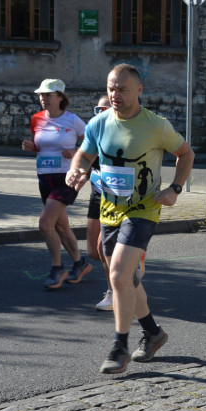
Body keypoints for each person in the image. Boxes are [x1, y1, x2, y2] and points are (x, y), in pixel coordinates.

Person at [66, 64, 195, 373]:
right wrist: (77, 169)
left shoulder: (156, 125)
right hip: (109, 208)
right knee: (124, 279)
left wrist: (175, 188)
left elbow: (186, 154)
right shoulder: (99, 123)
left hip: (143, 208)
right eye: (111, 88)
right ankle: (153, 332)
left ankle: (119, 347)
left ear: (139, 90)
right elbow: (84, 154)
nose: (115, 94)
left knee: (119, 275)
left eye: (122, 89)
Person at [22, 79, 89, 290]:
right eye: (41, 95)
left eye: (47, 95)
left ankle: (57, 268)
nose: (43, 98)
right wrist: (31, 146)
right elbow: (40, 146)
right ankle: (80, 264)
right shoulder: (36, 119)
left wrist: (75, 151)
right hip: (44, 177)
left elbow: (92, 144)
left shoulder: (73, 120)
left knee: (45, 224)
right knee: (60, 226)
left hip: (66, 178)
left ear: (60, 97)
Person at [88, 96, 115, 311]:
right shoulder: (94, 131)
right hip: (97, 194)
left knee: (102, 247)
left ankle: (113, 292)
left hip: (116, 197)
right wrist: (77, 173)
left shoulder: (123, 133)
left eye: (105, 108)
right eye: (98, 108)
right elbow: (84, 159)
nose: (101, 112)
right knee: (93, 252)